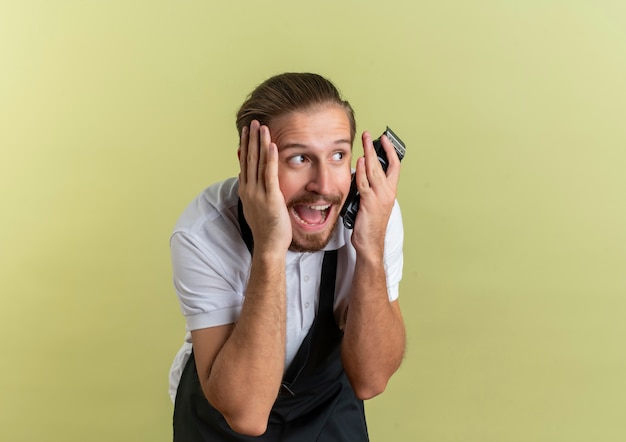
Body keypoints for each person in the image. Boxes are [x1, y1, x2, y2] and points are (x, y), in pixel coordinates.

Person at [169, 72, 406, 441]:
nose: (324, 185)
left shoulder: (374, 214)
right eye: (299, 159)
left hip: (329, 407)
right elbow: (247, 416)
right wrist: (269, 248)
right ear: (250, 162)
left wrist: (370, 249)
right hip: (225, 415)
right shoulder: (204, 232)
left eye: (338, 155)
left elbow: (371, 380)